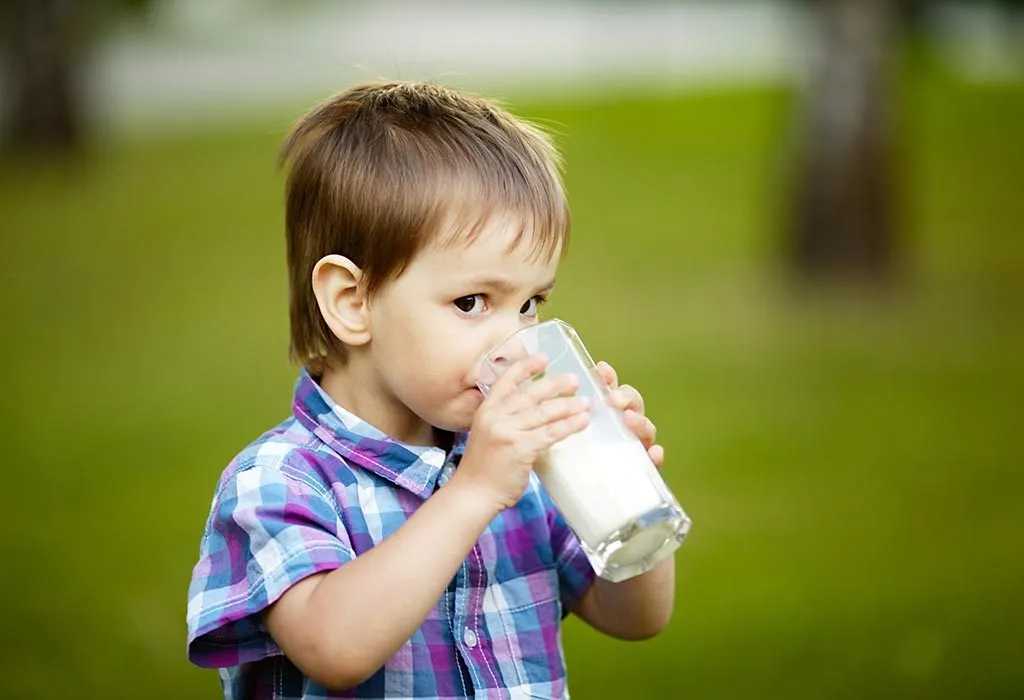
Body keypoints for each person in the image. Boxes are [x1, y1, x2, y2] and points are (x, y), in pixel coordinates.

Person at [186, 80, 675, 699]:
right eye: (472, 302)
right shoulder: (282, 481)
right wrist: (472, 491)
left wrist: (628, 498)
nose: (515, 342)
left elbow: (636, 616)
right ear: (353, 301)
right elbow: (334, 649)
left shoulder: (523, 467)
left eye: (530, 304)